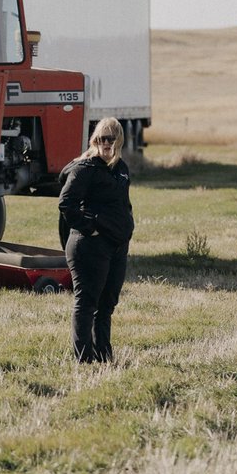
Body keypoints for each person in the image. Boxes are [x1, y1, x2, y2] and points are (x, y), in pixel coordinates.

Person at [58, 117, 134, 363]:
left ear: (119, 141)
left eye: (111, 139)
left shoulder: (121, 169)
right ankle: (84, 360)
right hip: (89, 245)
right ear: (95, 140)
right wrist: (90, 229)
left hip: (116, 245)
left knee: (107, 304)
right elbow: (66, 204)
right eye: (102, 138)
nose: (106, 143)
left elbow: (123, 203)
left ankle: (103, 356)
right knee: (87, 302)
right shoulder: (84, 168)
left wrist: (126, 227)